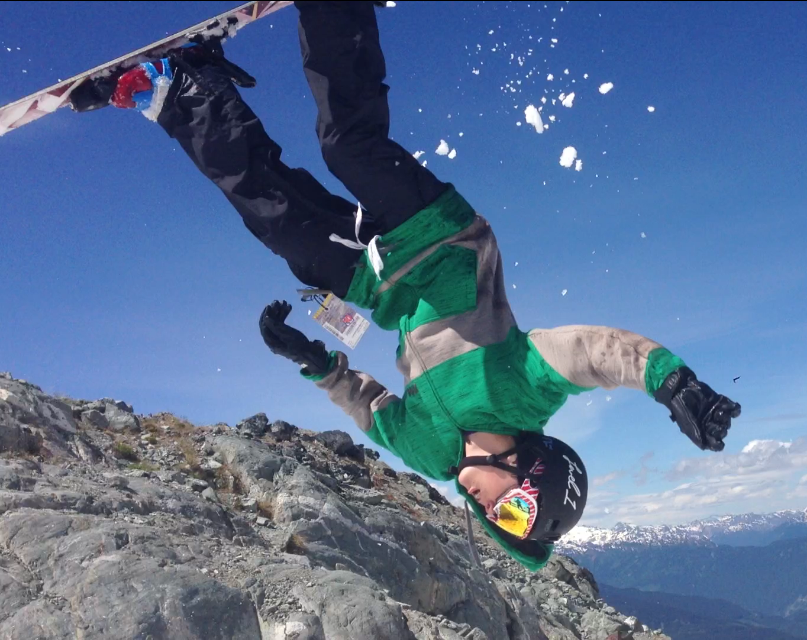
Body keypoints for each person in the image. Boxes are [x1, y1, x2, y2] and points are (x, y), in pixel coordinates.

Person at [75, 1, 741, 571]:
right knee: (348, 146)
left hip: (382, 285)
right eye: (512, 508)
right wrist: (672, 383)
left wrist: (318, 366)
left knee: (285, 232)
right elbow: (599, 352)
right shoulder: (526, 390)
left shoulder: (431, 455)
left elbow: (371, 410)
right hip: (438, 238)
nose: (487, 512)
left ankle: (181, 90)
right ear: (531, 471)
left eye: (499, 525)